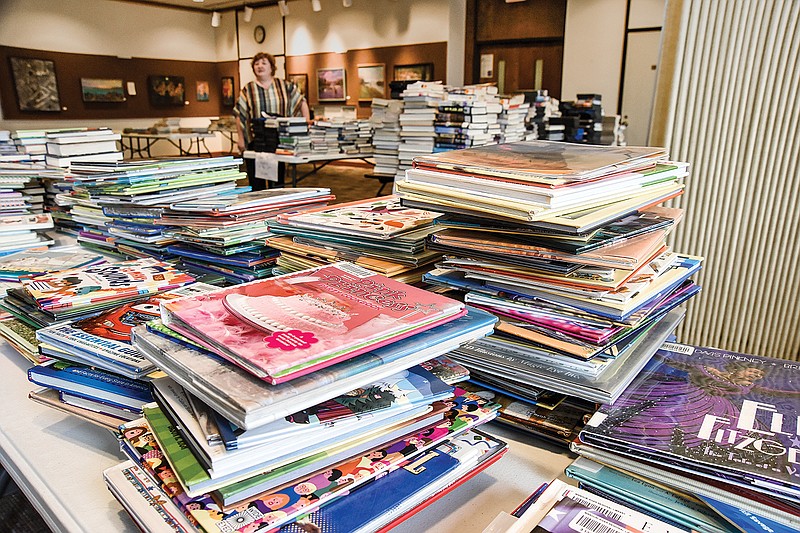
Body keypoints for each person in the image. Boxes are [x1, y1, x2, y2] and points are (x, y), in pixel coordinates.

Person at [234, 52, 310, 190]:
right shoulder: (248, 89)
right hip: (256, 141)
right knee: (256, 182)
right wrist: (240, 138)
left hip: (278, 141)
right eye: (256, 64)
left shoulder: (284, 86)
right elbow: (239, 114)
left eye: (264, 63)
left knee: (277, 181)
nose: (260, 66)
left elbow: (301, 102)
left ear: (271, 67)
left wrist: (306, 126)